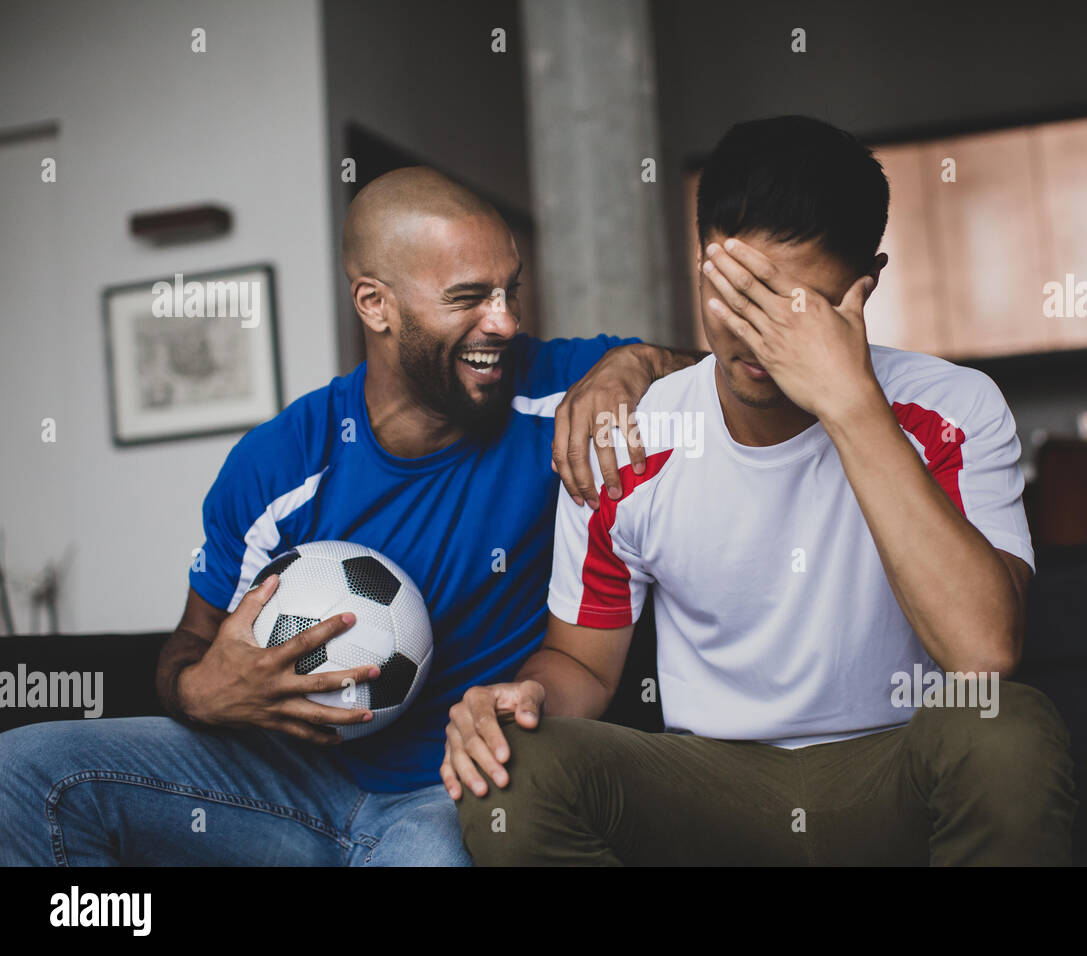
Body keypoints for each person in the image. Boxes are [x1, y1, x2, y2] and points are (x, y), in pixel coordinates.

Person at [0, 166, 700, 866]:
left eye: (508, 290)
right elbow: (187, 645)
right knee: (27, 770)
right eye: (469, 299)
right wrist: (201, 689)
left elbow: (730, 374)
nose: (506, 321)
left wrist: (636, 364)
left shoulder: (561, 390)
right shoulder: (278, 463)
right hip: (280, 788)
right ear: (375, 304)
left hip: (449, 795)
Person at [448, 116, 1077, 865]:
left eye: (798, 304)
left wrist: (851, 407)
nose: (756, 336)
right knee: (512, 775)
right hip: (718, 787)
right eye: (738, 294)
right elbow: (583, 665)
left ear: (864, 283)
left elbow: (984, 654)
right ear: (702, 260)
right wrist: (521, 701)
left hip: (899, 763)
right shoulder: (634, 435)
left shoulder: (953, 409)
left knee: (1008, 729)